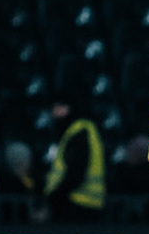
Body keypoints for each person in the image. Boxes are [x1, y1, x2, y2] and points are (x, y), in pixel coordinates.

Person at [43, 94, 105, 223]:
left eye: (60, 107)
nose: (55, 112)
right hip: (82, 204)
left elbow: (77, 171)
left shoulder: (79, 131)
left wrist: (56, 197)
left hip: (79, 205)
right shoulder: (79, 129)